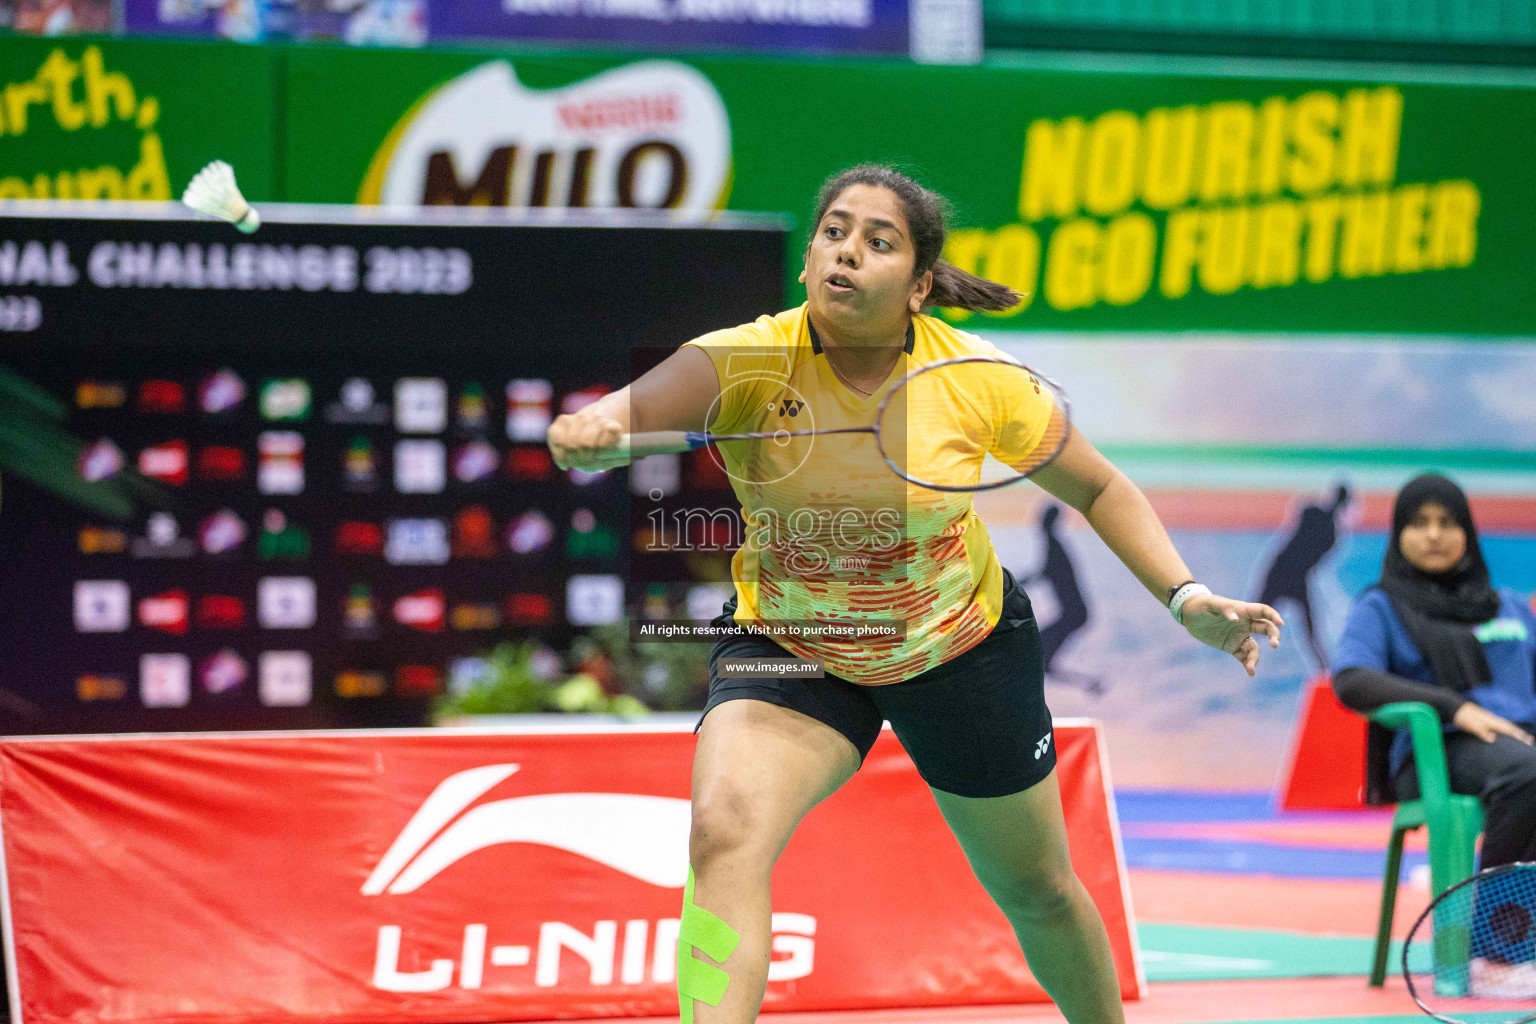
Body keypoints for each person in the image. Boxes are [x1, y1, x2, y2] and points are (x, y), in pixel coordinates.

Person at [547, 165, 1283, 1024]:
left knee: (1036, 887)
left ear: (920, 287)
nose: (846, 252)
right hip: (796, 647)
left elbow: (1099, 488)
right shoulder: (743, 360)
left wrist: (1185, 597)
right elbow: (626, 414)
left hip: (958, 648)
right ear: (806, 260)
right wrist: (592, 433)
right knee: (724, 833)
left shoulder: (975, 379)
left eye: (878, 241)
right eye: (833, 231)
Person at [1333, 473, 1536, 872]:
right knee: (1528, 772)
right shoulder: (1381, 607)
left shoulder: (1508, 606)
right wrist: (1452, 707)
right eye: (1419, 522)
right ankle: (1499, 930)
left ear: (1467, 532)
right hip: (1438, 753)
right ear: (1398, 534)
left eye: (1447, 523)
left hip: (1522, 740)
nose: (1433, 535)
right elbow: (1352, 679)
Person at [1255, 483, 1352, 673]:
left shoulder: (1329, 531)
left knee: (1310, 634)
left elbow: (1313, 561)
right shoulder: (1318, 519)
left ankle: (1325, 675)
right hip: (1281, 572)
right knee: (1255, 620)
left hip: (1294, 577)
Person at [1020, 504, 1103, 696]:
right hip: (1072, 614)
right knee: (1038, 654)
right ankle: (1087, 682)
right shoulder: (1053, 544)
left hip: (1073, 615)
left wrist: (1016, 583)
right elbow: (1044, 573)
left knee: (1037, 652)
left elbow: (1045, 573)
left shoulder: (1054, 545)